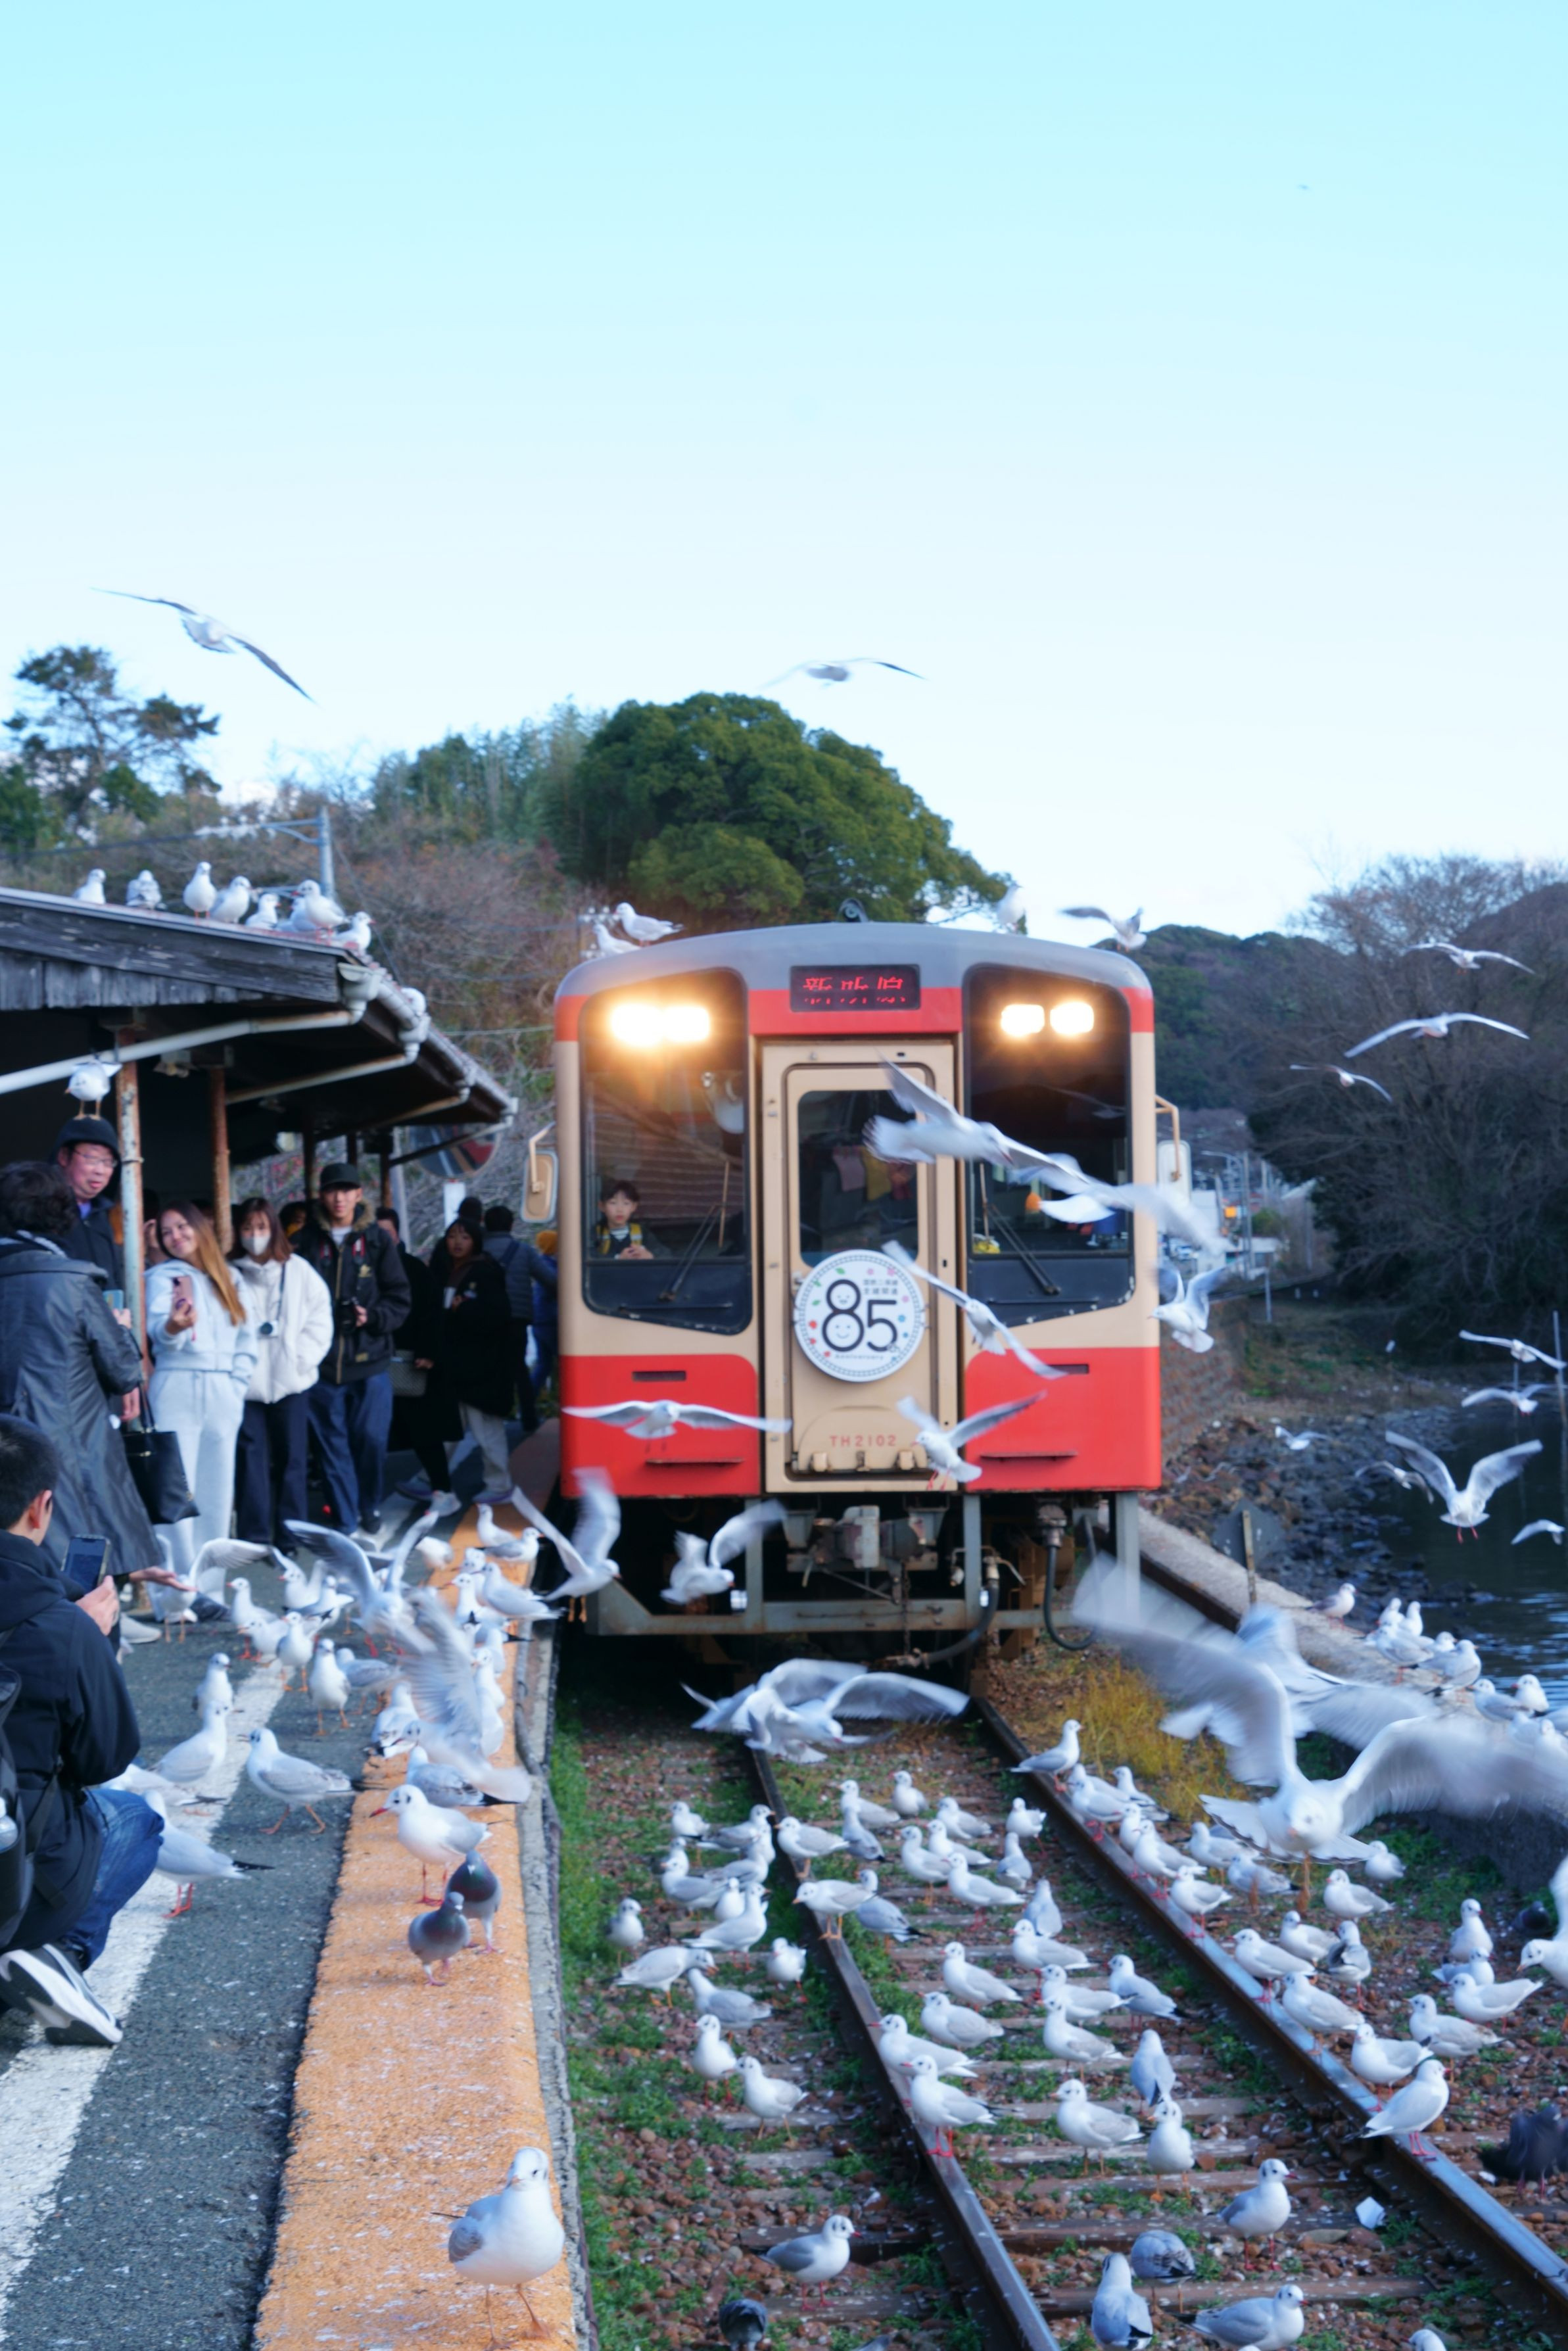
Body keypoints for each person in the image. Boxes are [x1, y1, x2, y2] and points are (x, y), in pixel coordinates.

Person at [0, 1417, 157, 2048]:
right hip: (16, 1873)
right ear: (41, 1508)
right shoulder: (63, 1625)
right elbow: (103, 1760)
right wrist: (91, 1644)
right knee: (134, 1818)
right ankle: (53, 1957)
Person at [0, 1162, 160, 1585]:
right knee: (82, 1581)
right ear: (60, 1213)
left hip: (7, 1451)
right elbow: (124, 1372)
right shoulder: (72, 1281)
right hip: (73, 1457)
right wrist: (120, 1328)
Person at [291, 1164, 410, 1538]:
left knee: (372, 1441)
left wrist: (371, 1317)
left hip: (371, 1361)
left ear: (359, 1194)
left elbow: (400, 1297)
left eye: (347, 1190)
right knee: (331, 1447)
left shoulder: (377, 1241)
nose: (339, 1198)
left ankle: (368, 1504)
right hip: (322, 1364)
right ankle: (345, 1518)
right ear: (322, 1195)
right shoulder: (304, 1242)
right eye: (332, 1190)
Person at [145, 1201, 258, 1569]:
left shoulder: (231, 1277)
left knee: (217, 1490)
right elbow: (159, 1332)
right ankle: (176, 1589)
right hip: (176, 1382)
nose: (175, 1237)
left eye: (182, 1226)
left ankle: (209, 1587)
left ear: (199, 1227)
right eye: (166, 1232)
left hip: (223, 1389)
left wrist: (236, 1386)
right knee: (175, 1487)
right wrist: (174, 1328)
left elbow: (248, 1340)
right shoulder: (160, 1277)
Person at [229, 1198, 333, 1544]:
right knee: (250, 1459)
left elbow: (321, 1319)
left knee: (293, 1460)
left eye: (261, 1227)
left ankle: (291, 1536)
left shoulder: (299, 1270)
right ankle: (254, 1538)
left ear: (274, 1229)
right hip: (246, 1384)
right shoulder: (229, 1273)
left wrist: (300, 1360)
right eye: (247, 1227)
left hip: (292, 1382)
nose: (254, 1235)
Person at [431, 1218, 514, 1499]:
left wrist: (465, 1310)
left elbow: (498, 1316)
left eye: (465, 1237)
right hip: (455, 1364)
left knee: (485, 1430)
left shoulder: (485, 1272)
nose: (457, 1242)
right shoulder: (446, 1270)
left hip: (480, 1368)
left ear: (476, 1241)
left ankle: (499, 1484)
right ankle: (431, 1479)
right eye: (452, 1236)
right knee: (447, 1427)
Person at [377, 1207, 454, 1502]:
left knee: (424, 1432)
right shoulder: (363, 1267)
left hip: (410, 1358)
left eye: (387, 1232)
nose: (382, 1238)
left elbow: (432, 1313)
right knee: (370, 1431)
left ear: (397, 1235)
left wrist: (428, 1350)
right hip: (372, 1358)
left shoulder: (414, 1268)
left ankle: (442, 1489)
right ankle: (366, 1499)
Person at [481, 1204, 553, 1436]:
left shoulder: (478, 1251)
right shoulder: (523, 1251)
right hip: (516, 1318)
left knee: (489, 1368)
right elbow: (550, 1280)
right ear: (511, 1225)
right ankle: (528, 1419)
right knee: (519, 1369)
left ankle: (490, 1418)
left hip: (485, 1319)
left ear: (486, 1225)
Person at [53, 1115, 125, 1293]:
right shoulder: (43, 1212)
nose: (100, 1171)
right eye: (92, 1158)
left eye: (108, 1162)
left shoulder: (109, 1216)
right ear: (64, 1156)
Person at [593, 1177, 664, 1260]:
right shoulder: (597, 1233)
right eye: (613, 1203)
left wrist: (650, 1256)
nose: (620, 1210)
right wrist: (618, 1258)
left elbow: (665, 1254)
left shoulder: (642, 1232)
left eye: (626, 1203)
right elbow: (589, 1256)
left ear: (634, 1207)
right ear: (602, 1206)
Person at [531, 1227, 559, 1398]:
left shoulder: (542, 1264)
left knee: (544, 1365)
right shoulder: (550, 1268)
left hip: (540, 1321)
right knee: (563, 1362)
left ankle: (527, 1402)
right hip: (550, 1321)